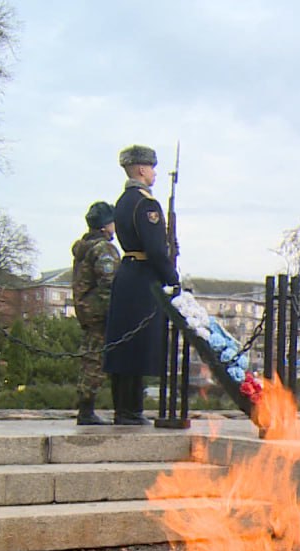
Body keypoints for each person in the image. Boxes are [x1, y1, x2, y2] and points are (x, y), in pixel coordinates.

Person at [104, 145, 180, 425]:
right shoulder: (146, 203)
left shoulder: (123, 201)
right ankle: (131, 410)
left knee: (123, 346)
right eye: (151, 168)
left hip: (127, 274)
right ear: (140, 169)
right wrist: (172, 277)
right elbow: (156, 249)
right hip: (144, 279)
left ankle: (122, 408)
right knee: (136, 345)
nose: (154, 173)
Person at [71, 201, 120, 425]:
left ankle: (85, 406)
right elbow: (109, 282)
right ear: (104, 226)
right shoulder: (103, 249)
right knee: (95, 360)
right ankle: (87, 410)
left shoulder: (84, 248)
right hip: (100, 312)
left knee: (89, 356)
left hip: (86, 310)